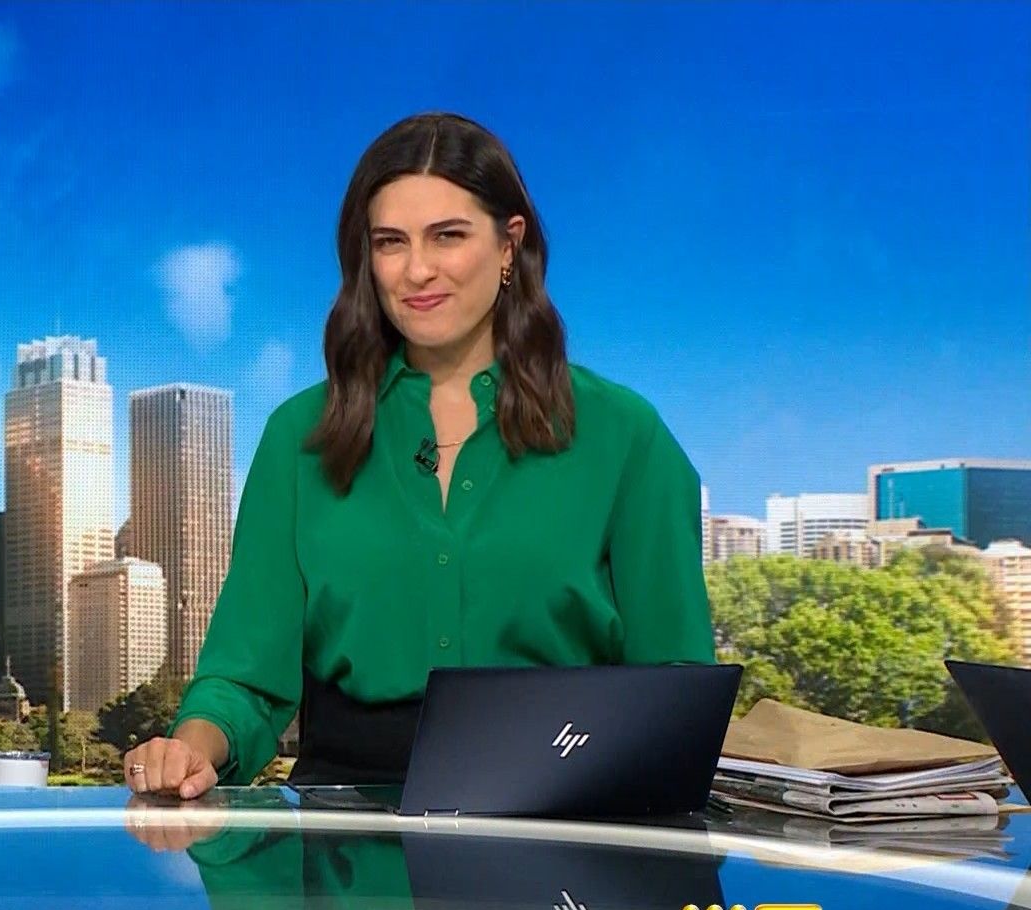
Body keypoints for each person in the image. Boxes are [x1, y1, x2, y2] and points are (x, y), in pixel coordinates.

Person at [124, 112, 714, 798]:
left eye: (448, 236)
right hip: (344, 825)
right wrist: (190, 749)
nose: (417, 270)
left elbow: (676, 688)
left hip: (567, 813)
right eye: (390, 243)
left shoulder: (626, 436)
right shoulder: (298, 437)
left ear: (510, 245)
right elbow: (244, 679)